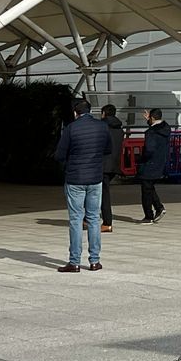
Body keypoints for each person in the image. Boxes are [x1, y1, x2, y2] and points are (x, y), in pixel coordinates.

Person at [53, 97, 114, 272]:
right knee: (94, 219)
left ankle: (74, 262)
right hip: (95, 178)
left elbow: (59, 155)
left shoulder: (71, 129)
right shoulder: (102, 127)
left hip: (75, 179)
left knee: (76, 219)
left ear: (75, 112)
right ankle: (95, 261)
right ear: (91, 110)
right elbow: (108, 149)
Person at [138, 108, 171, 223]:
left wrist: (142, 159)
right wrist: (150, 120)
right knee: (149, 186)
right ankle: (159, 208)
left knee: (146, 190)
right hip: (160, 161)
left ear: (152, 118)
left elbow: (149, 149)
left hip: (149, 163)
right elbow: (156, 126)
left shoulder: (151, 132)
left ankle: (149, 215)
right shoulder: (165, 128)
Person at [99, 104, 122, 232]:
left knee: (102, 194)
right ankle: (87, 218)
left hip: (102, 164)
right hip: (114, 164)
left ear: (104, 113)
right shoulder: (119, 128)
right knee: (100, 192)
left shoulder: (102, 127)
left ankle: (107, 222)